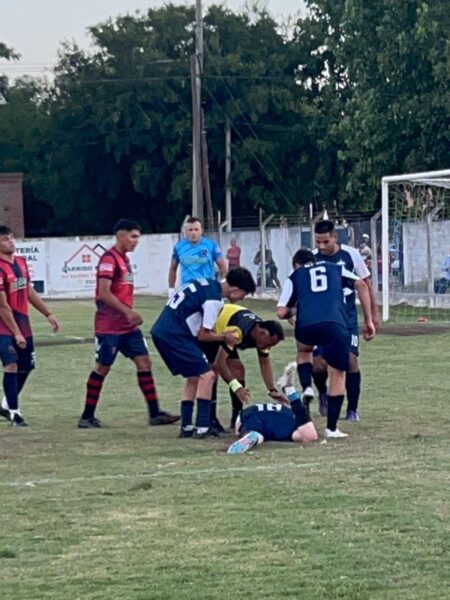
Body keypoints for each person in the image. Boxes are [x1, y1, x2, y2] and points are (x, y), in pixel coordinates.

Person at [78, 219, 179, 429]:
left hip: (127, 327)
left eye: (138, 237)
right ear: (120, 236)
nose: (136, 241)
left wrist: (127, 315)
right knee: (102, 368)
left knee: (144, 362)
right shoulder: (109, 259)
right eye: (133, 236)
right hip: (109, 327)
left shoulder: (124, 259)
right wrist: (128, 311)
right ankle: (86, 417)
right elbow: (103, 293)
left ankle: (155, 413)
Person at [276, 249, 375, 439]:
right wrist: (368, 320)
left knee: (304, 350)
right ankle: (331, 428)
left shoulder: (295, 276)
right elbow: (361, 284)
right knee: (337, 373)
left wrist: (294, 311)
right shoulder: (334, 268)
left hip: (306, 323)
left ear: (296, 265)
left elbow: (281, 312)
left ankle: (307, 386)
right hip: (334, 322)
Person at [151, 267, 256, 439]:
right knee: (208, 375)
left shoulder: (206, 283)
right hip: (176, 335)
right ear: (235, 289)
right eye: (243, 294)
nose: (242, 298)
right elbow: (204, 335)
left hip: (163, 331)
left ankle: (186, 427)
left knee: (194, 376)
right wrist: (224, 336)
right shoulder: (214, 300)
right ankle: (202, 427)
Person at [312, 220, 380, 421]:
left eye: (325, 242)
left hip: (347, 317)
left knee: (350, 360)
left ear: (335, 238)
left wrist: (372, 315)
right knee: (319, 364)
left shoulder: (351, 254)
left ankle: (352, 410)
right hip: (322, 318)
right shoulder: (313, 258)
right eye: (318, 242)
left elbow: (365, 284)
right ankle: (323, 393)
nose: (321, 246)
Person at [0, 225, 60, 427]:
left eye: (11, 237)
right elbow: (2, 306)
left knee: (27, 365)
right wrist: (16, 333)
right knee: (11, 364)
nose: (11, 242)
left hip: (23, 322)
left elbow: (29, 291)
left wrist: (48, 313)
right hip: (3, 326)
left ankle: (6, 404)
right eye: (5, 239)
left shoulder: (21, 262)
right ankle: (15, 413)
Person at [199, 303, 287, 430]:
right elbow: (220, 364)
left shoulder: (262, 334)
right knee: (212, 373)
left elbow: (264, 362)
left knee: (238, 370)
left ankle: (237, 418)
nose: (268, 347)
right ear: (262, 333)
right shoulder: (237, 332)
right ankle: (210, 419)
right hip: (213, 329)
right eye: (269, 344)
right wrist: (236, 387)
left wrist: (272, 389)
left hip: (227, 327)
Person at [227, 399, 318, 454]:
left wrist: (239, 431)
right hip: (283, 422)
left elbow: (239, 421)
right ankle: (256, 437)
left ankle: (252, 435)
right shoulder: (290, 412)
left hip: (252, 415)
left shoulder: (251, 409)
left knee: (254, 431)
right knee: (303, 435)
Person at [168, 217, 227, 297]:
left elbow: (223, 268)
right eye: (190, 230)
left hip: (208, 290)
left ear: (201, 231)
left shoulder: (211, 245)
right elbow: (173, 269)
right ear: (185, 231)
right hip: (187, 291)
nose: (193, 233)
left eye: (196, 229)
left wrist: (222, 286)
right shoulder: (179, 247)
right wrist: (171, 290)